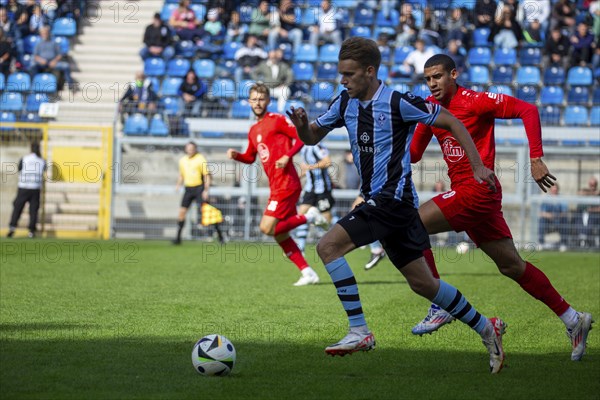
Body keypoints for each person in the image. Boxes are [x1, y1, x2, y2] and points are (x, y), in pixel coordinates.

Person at [287, 37, 507, 373]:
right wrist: (303, 126)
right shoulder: (345, 103)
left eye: (349, 74)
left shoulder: (398, 102)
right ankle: (486, 328)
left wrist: (477, 164)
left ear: (370, 71)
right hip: (393, 207)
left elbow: (451, 121)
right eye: (340, 74)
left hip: (390, 202)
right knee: (424, 284)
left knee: (328, 247)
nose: (342, 80)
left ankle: (359, 330)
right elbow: (312, 137)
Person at [409, 54, 593, 361]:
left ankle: (440, 302)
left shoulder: (476, 101)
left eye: (438, 76)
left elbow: (528, 109)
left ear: (454, 74)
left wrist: (535, 158)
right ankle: (574, 320)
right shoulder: (430, 108)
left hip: (477, 190)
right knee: (512, 266)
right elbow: (415, 154)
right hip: (472, 195)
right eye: (428, 79)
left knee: (411, 225)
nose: (433, 83)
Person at [227, 83, 327, 287]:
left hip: (287, 183)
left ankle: (309, 216)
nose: (257, 103)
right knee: (280, 233)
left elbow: (302, 138)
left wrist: (287, 156)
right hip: (277, 185)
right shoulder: (254, 130)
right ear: (248, 101)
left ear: (268, 101)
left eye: (261, 99)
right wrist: (237, 156)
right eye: (254, 99)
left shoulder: (277, 120)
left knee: (266, 227)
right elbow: (250, 157)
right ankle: (308, 272)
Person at [294, 143, 335, 252]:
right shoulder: (303, 148)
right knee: (301, 214)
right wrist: (294, 178)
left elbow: (327, 161)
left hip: (323, 189)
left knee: (328, 219)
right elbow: (306, 169)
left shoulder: (318, 146)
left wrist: (310, 167)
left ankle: (344, 236)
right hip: (310, 189)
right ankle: (300, 247)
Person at [173, 142, 211, 245]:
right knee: (182, 213)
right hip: (188, 189)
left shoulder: (200, 159)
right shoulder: (182, 160)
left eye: (192, 148)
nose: (190, 150)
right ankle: (178, 238)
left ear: (195, 149)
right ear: (186, 149)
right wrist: (178, 185)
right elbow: (181, 175)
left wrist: (206, 190)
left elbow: (207, 175)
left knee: (207, 212)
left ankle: (220, 236)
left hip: (199, 188)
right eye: (188, 148)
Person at [7, 142, 46, 238]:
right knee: (33, 210)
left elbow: (19, 169)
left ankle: (12, 227)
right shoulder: (42, 161)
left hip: (23, 187)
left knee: (17, 208)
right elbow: (44, 170)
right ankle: (31, 231)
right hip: (35, 188)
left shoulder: (24, 159)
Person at [30, 25, 74, 90]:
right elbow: (35, 56)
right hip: (42, 63)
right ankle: (33, 85)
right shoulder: (38, 44)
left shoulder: (54, 43)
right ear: (41, 34)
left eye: (46, 33)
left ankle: (70, 84)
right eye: (43, 33)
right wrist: (41, 60)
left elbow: (60, 54)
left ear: (48, 33)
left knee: (66, 66)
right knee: (32, 66)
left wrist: (54, 61)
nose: (45, 34)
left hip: (53, 62)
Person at [251, 47, 293, 113]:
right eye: (272, 57)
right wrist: (258, 81)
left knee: (285, 91)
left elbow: (290, 76)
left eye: (275, 57)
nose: (273, 58)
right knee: (257, 92)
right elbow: (253, 72)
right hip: (266, 88)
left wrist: (285, 84)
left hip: (277, 88)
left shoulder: (283, 66)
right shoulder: (263, 65)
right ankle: (259, 111)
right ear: (269, 57)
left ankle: (280, 111)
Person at [538, 183, 569, 250]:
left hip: (559, 220)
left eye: (555, 190)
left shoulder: (562, 199)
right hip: (548, 221)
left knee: (565, 220)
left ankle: (563, 244)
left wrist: (556, 216)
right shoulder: (546, 199)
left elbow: (564, 213)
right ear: (550, 190)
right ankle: (541, 243)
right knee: (541, 220)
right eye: (553, 189)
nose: (554, 191)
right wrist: (549, 215)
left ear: (558, 190)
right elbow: (541, 213)